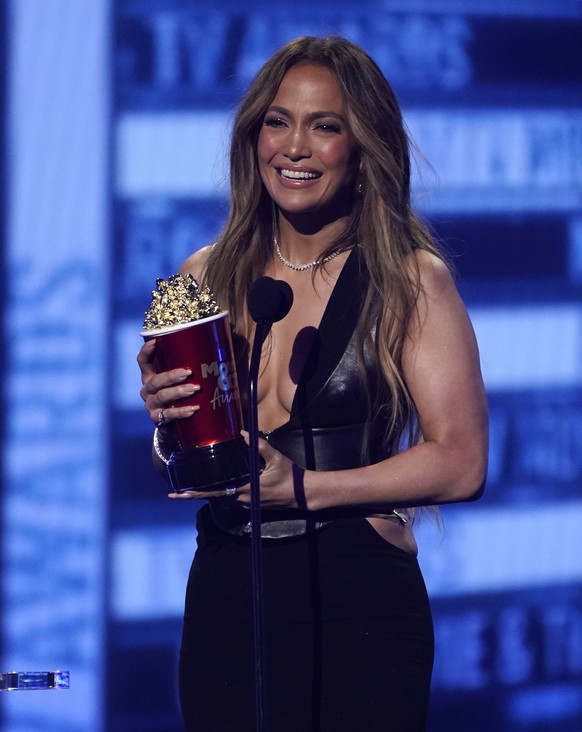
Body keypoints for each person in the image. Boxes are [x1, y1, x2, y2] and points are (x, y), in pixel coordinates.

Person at [137, 36, 488, 732]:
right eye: (277, 120)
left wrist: (305, 489)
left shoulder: (410, 281)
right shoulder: (203, 275)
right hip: (229, 583)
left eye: (325, 126)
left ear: (362, 149)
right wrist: (168, 424)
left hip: (356, 590)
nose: (294, 147)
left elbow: (462, 463)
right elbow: (178, 461)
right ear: (252, 138)